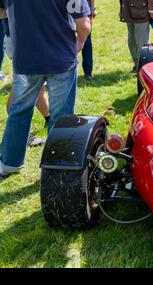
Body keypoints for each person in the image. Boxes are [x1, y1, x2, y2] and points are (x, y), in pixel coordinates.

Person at [0, 0, 91, 178]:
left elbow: (2, 12)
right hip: (61, 57)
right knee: (61, 116)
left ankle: (9, 163)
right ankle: (56, 165)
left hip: (25, 57)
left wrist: (12, 33)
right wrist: (79, 42)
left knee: (20, 110)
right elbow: (84, 24)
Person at [1, 3, 49, 146]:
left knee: (36, 83)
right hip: (21, 38)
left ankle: (50, 118)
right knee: (22, 89)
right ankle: (24, 136)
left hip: (25, 37)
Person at [120, 0, 153, 73]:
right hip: (128, 11)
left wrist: (151, 9)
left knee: (142, 44)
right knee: (132, 43)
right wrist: (122, 9)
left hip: (142, 13)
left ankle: (144, 69)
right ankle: (137, 66)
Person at [82, 0, 97, 80]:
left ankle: (88, 73)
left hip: (85, 12)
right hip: (66, 12)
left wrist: (93, 8)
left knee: (86, 43)